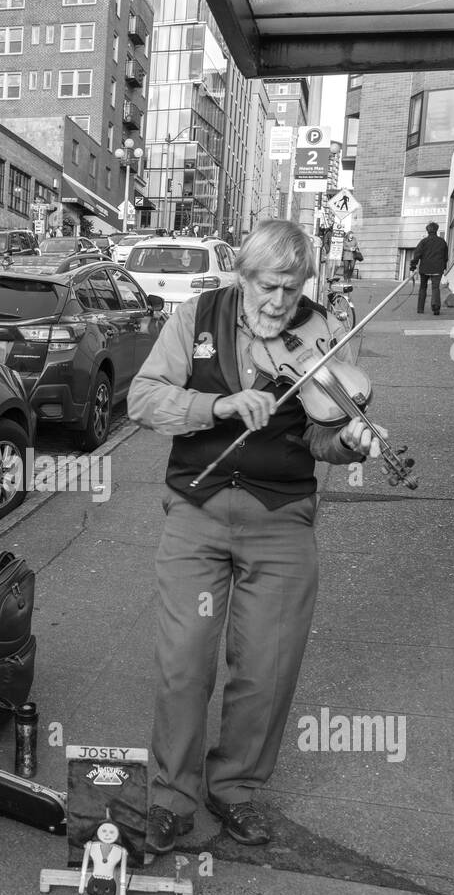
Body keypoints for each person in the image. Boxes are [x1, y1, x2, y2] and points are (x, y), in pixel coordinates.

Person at [127, 220, 385, 854]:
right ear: (242, 277)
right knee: (184, 663)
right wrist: (216, 406)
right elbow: (142, 399)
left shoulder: (321, 334)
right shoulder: (196, 316)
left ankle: (235, 788)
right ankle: (171, 797)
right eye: (269, 288)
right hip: (198, 511)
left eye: (292, 291)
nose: (279, 305)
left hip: (282, 518)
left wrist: (348, 445)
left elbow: (322, 436)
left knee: (267, 668)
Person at [409, 221, 449, 315]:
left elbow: (417, 254)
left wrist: (412, 267)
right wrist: (443, 268)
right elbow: (445, 257)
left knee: (423, 287)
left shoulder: (423, 241)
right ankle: (435, 308)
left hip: (425, 269)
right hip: (437, 269)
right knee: (435, 288)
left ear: (427, 231)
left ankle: (420, 309)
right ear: (437, 230)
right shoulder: (442, 242)